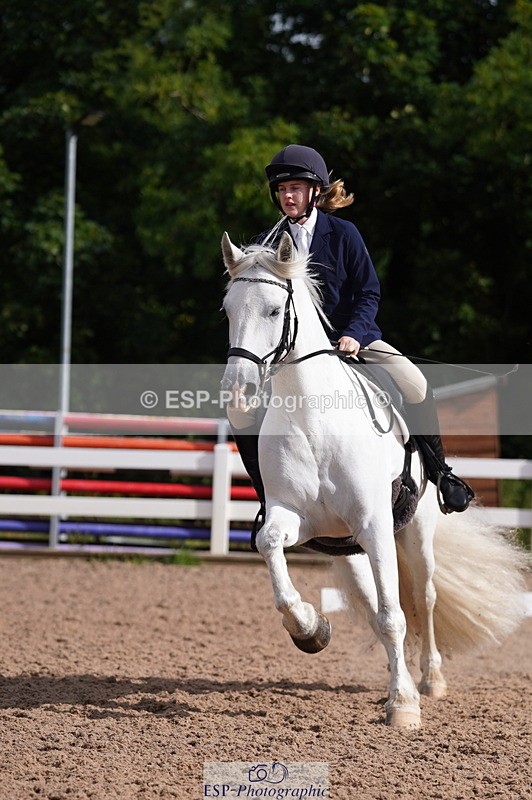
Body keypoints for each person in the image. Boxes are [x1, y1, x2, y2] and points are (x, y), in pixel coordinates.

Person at [228, 144, 474, 516]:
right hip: (289, 352)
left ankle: (441, 473)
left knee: (415, 383)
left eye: (295, 188)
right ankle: (267, 497)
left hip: (351, 339)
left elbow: (368, 291)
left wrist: (355, 333)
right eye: (282, 189)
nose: (287, 196)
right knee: (237, 410)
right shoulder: (266, 244)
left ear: (314, 191)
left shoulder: (343, 233)